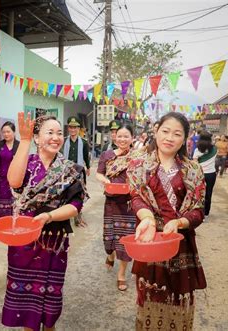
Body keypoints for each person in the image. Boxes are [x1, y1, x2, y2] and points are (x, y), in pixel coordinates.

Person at [2, 113, 88, 331]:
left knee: (50, 299)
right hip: (24, 239)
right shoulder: (27, 162)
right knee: (26, 304)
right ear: (38, 138)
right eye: (49, 132)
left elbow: (76, 206)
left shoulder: (72, 170)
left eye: (59, 133)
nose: (56, 137)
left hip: (53, 241)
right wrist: (25, 140)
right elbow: (14, 181)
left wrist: (49, 216)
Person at [127, 112, 206, 330]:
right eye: (165, 131)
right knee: (150, 298)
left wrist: (180, 222)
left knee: (178, 302)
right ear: (156, 131)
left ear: (185, 139)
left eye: (177, 133)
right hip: (150, 243)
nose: (170, 137)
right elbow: (136, 198)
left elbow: (198, 210)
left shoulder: (193, 170)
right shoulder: (139, 165)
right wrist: (148, 219)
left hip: (180, 244)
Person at [96, 124, 136, 291]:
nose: (122, 139)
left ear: (132, 138)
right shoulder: (107, 155)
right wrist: (104, 180)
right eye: (119, 136)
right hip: (111, 201)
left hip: (129, 203)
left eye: (126, 136)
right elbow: (99, 172)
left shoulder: (137, 157)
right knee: (109, 237)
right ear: (114, 137)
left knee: (126, 240)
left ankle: (121, 274)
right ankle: (110, 255)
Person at [61, 116, 90, 227]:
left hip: (79, 171)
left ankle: (78, 217)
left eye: (75, 128)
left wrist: (88, 168)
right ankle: (65, 216)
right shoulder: (63, 141)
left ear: (79, 129)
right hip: (66, 171)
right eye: (71, 127)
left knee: (79, 194)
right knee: (66, 193)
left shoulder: (84, 142)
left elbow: (86, 157)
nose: (73, 130)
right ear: (68, 128)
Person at [193, 131, 217, 218]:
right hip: (211, 174)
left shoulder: (197, 150)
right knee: (208, 193)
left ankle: (198, 211)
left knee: (198, 193)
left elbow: (195, 164)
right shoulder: (214, 149)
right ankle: (206, 213)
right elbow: (214, 142)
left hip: (200, 174)